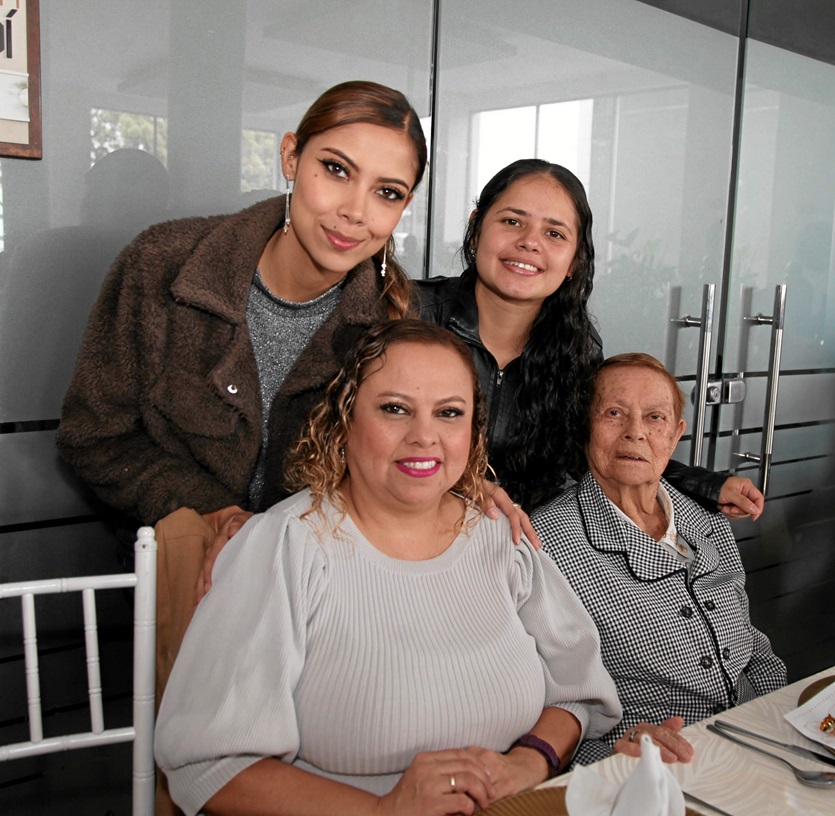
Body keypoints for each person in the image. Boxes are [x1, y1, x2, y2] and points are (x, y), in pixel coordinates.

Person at [154, 320, 622, 816]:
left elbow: (579, 691)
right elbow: (209, 764)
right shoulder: (285, 545)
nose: (425, 437)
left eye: (449, 413)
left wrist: (528, 764)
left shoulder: (500, 538)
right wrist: (383, 809)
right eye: (395, 409)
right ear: (343, 420)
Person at [55, 80, 425, 529]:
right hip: (182, 576)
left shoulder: (395, 318)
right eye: (336, 169)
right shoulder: (161, 265)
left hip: (320, 577)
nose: (355, 211)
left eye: (387, 192)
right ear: (291, 157)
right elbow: (94, 438)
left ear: (404, 206)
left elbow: (396, 463)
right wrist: (212, 512)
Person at [417, 159, 765, 518]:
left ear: (573, 263)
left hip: (518, 540)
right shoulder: (411, 312)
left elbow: (602, 448)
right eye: (512, 221)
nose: (529, 243)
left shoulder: (575, 346)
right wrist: (466, 484)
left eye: (554, 233)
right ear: (476, 230)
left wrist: (705, 485)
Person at [531, 353, 786, 766]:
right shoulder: (547, 544)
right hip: (646, 768)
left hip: (757, 741)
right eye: (615, 413)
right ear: (586, 427)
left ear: (676, 434)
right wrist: (609, 755)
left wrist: (783, 715)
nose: (636, 433)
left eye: (655, 418)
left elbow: (752, 644)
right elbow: (537, 705)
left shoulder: (703, 518)